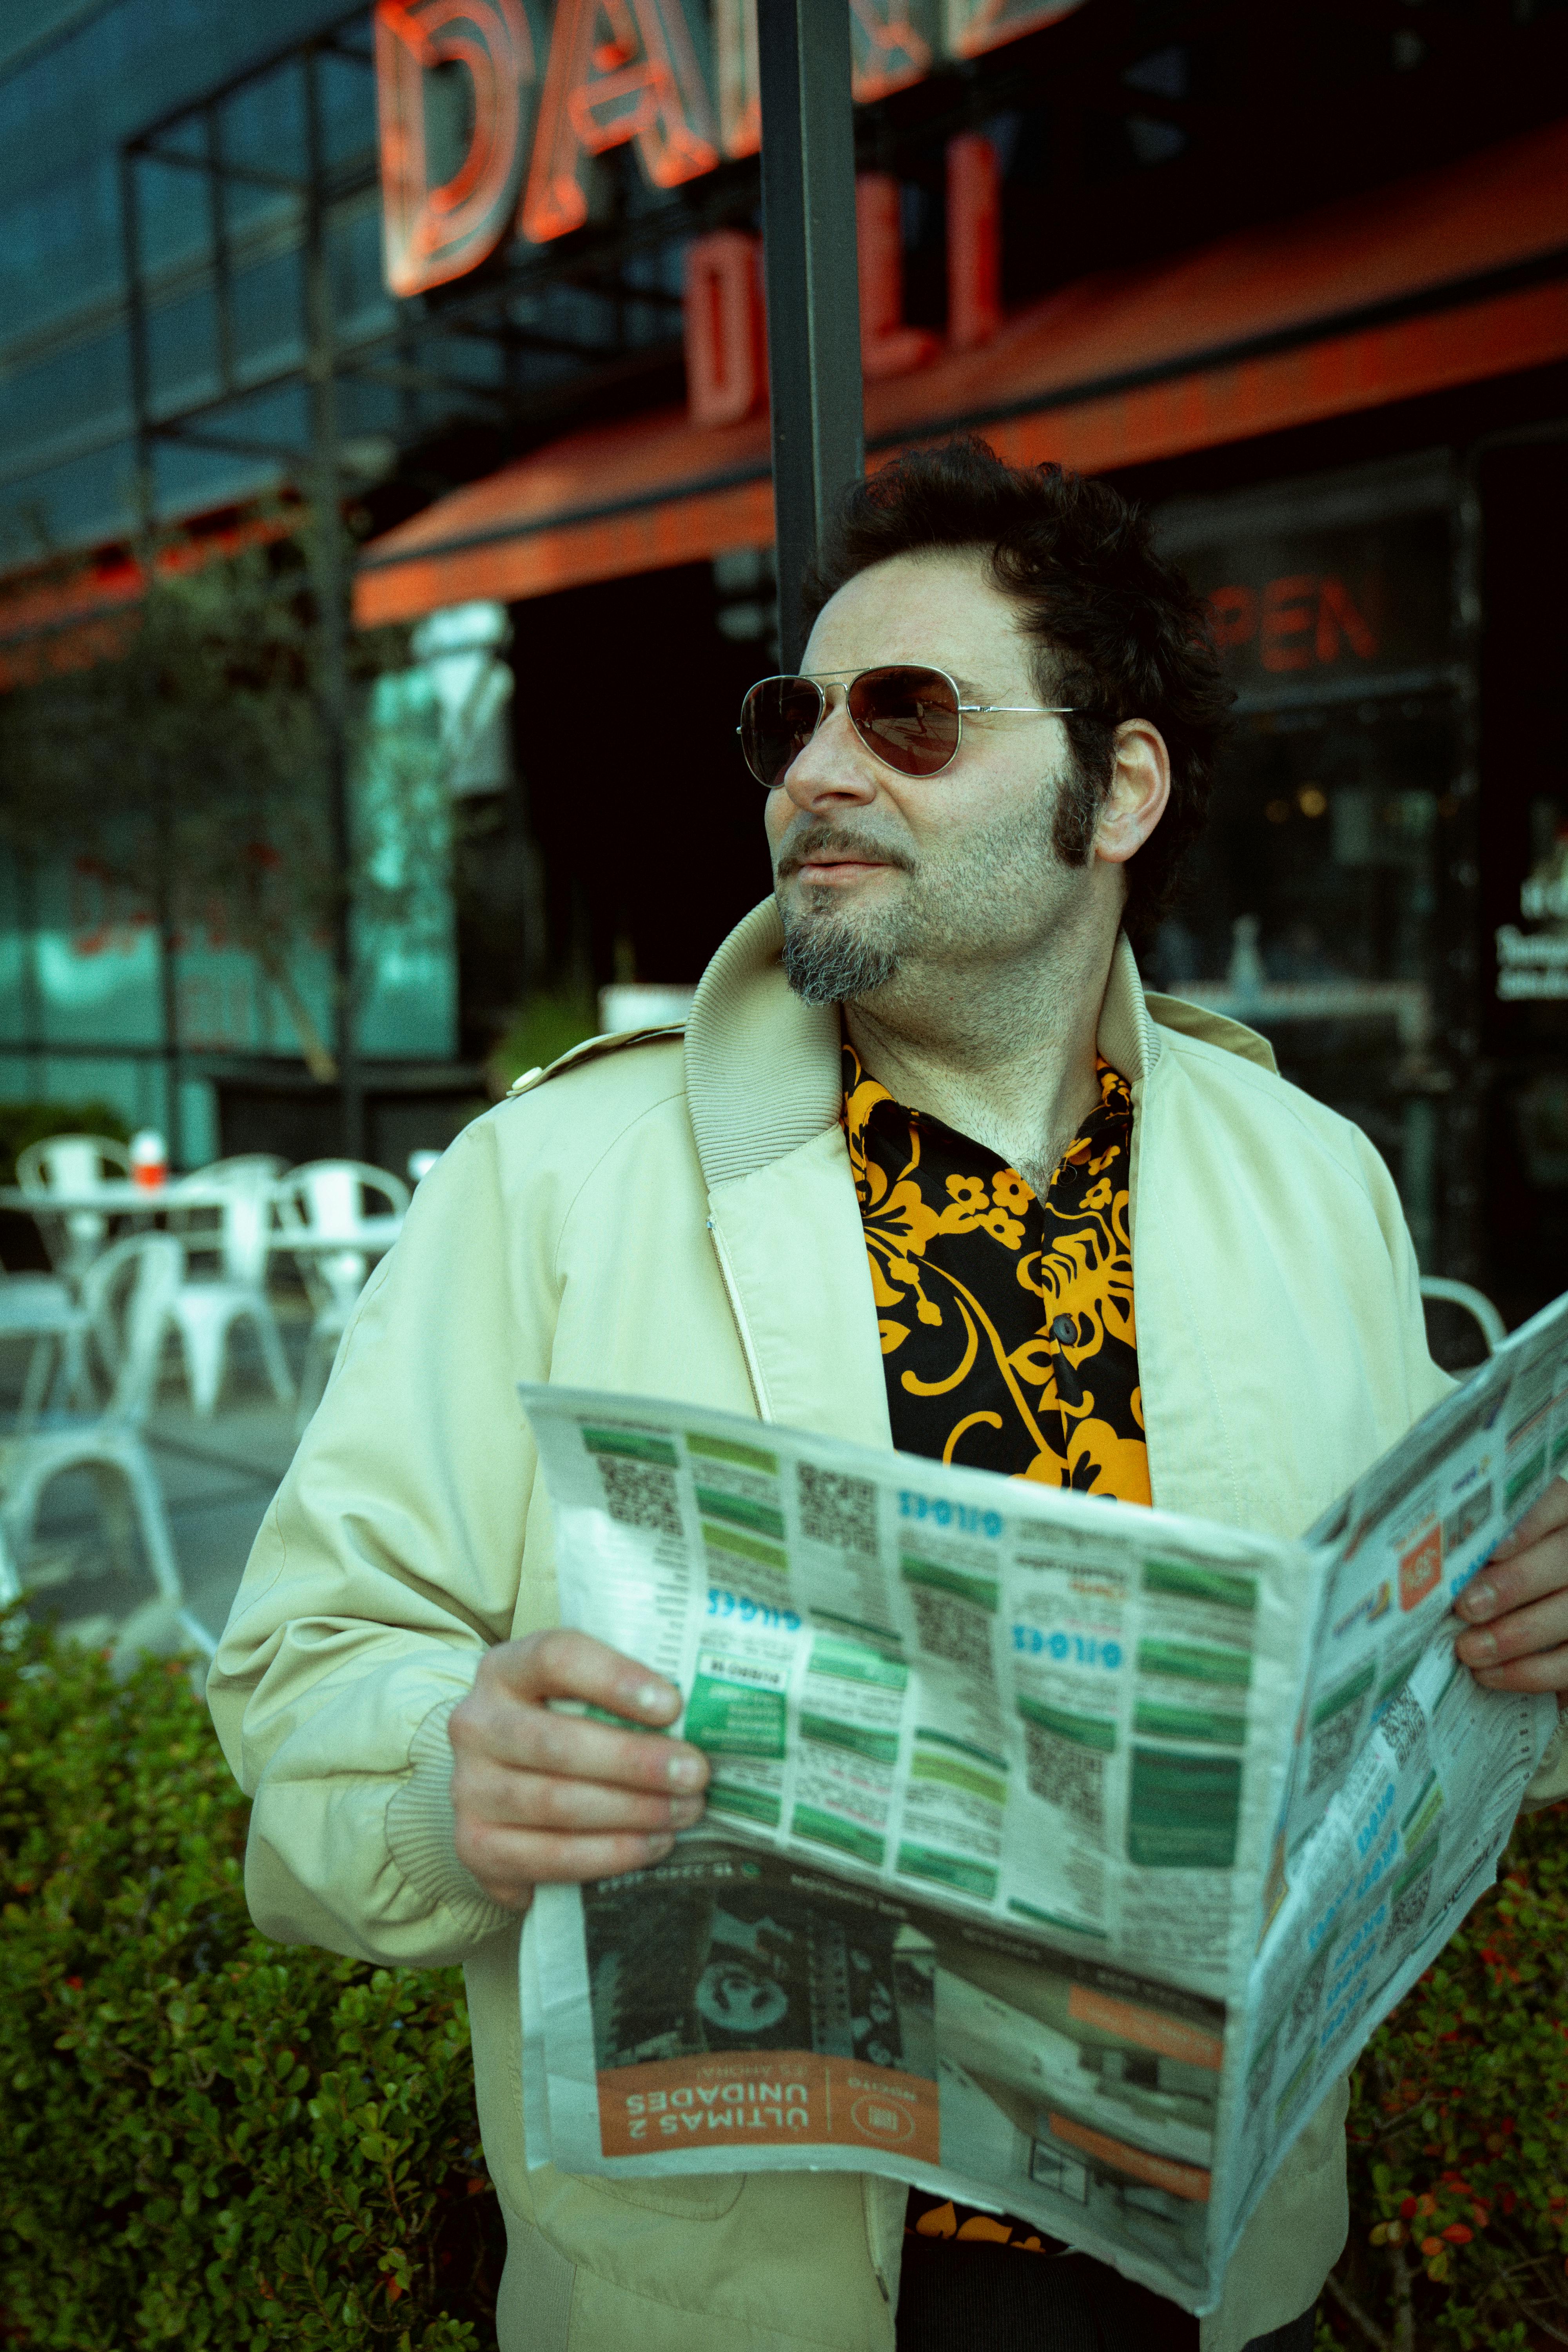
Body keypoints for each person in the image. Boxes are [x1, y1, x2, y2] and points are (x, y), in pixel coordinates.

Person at [208, 438, 1568, 2352]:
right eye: (795, 715)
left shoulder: (1311, 1174)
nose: (817, 771)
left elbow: (1413, 1684)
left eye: (910, 715)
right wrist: (453, 1776)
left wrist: (1527, 1642)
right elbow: (302, 1660)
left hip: (1214, 2266)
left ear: (1119, 790)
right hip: (748, 2288)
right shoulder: (550, 1179)